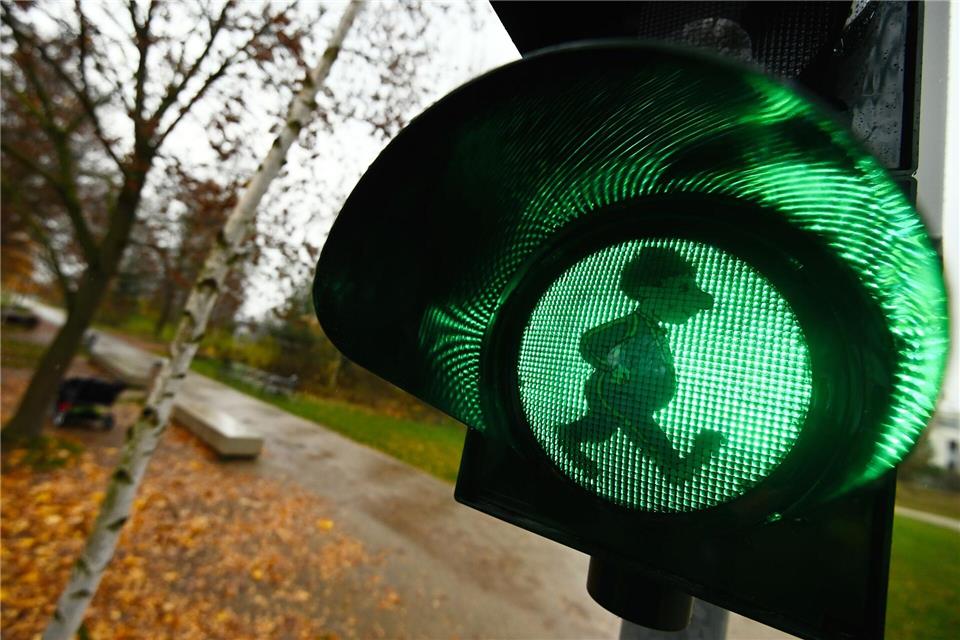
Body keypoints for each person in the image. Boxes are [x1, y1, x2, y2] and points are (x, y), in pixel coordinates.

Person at [557, 247, 725, 484]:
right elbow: (590, 344)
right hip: (621, 396)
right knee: (641, 428)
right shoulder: (632, 325)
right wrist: (616, 368)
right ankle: (674, 468)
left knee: (601, 428)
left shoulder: (655, 329)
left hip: (636, 398)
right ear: (647, 291)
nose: (703, 302)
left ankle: (569, 435)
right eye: (683, 288)